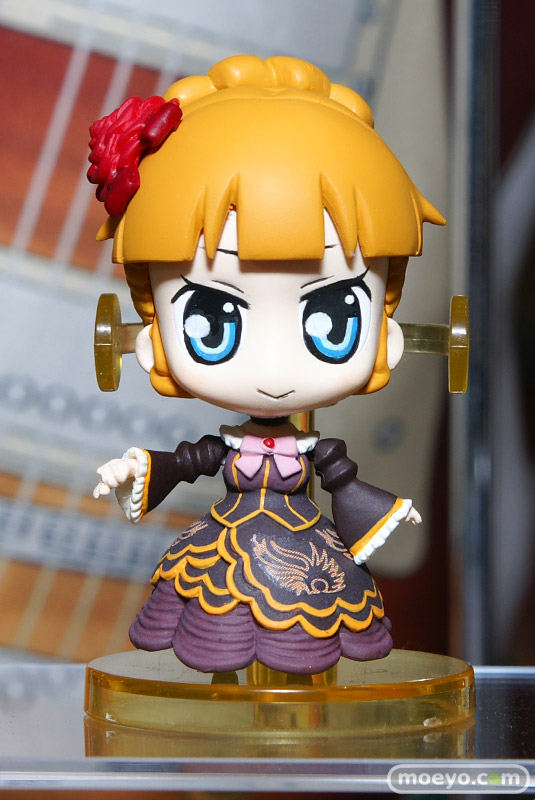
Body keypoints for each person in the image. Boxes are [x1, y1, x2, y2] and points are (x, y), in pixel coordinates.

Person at [88, 55, 445, 674]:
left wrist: (389, 508)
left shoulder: (313, 449)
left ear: (386, 337)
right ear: (150, 339)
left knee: (306, 640)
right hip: (225, 550)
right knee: (216, 636)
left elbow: (341, 481)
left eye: (332, 317)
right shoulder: (229, 445)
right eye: (212, 319)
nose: (275, 367)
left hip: (306, 556)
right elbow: (190, 461)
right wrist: (133, 471)